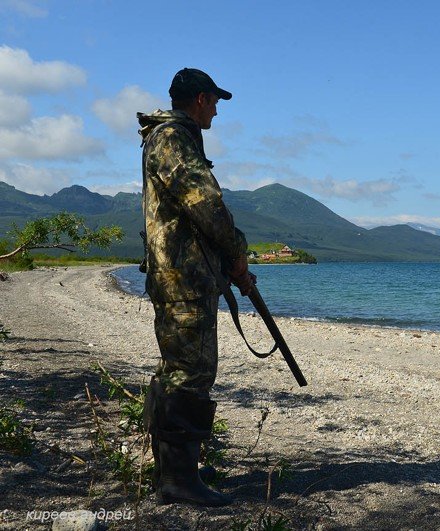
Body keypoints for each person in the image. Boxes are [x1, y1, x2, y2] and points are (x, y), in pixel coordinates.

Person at [137, 68, 255, 506]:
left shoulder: (164, 137)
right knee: (191, 375)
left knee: (178, 373)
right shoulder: (174, 139)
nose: (218, 112)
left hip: (182, 275)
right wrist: (237, 251)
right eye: (216, 103)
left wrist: (228, 265)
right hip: (183, 278)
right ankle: (179, 481)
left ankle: (174, 469)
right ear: (202, 100)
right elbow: (205, 204)